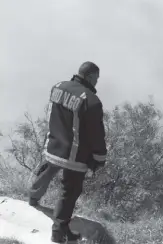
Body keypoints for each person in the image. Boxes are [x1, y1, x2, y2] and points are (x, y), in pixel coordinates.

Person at [28, 61, 107, 243]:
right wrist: (99, 158)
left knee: (46, 172)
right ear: (90, 77)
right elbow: (96, 134)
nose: (97, 82)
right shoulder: (91, 101)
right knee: (69, 192)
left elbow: (53, 114)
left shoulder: (58, 87)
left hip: (54, 145)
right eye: (96, 78)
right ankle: (59, 232)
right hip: (75, 155)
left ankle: (32, 198)